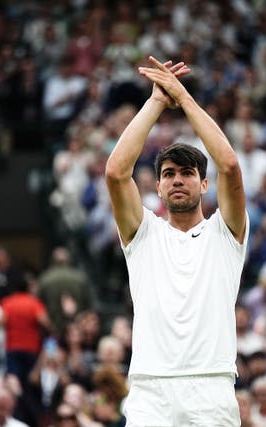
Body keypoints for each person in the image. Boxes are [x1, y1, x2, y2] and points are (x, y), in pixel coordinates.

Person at [105, 56, 249, 426]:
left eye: (188, 173)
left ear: (204, 184)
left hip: (211, 387)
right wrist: (156, 101)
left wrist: (183, 99)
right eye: (168, 174)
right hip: (150, 391)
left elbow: (230, 166)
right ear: (157, 186)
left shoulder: (226, 231)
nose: (177, 180)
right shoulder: (142, 233)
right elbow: (117, 171)